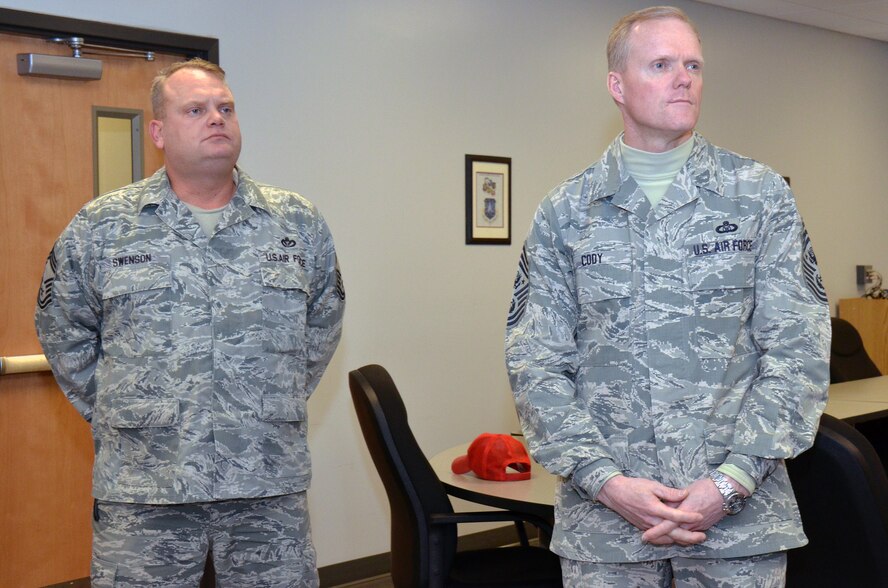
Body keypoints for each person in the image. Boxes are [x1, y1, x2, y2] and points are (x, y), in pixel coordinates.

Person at [504, 6, 830, 586]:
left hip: (740, 527)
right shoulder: (565, 211)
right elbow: (537, 365)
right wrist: (606, 481)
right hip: (606, 527)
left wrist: (731, 482)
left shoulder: (759, 197)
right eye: (661, 64)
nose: (684, 77)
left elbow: (798, 353)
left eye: (693, 65)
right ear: (617, 85)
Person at [35, 58, 344, 587]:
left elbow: (322, 325)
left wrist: (263, 401)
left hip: (265, 482)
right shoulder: (102, 227)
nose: (216, 119)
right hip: (145, 484)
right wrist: (130, 409)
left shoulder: (296, 222)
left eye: (225, 108)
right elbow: (64, 332)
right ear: (158, 131)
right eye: (196, 109)